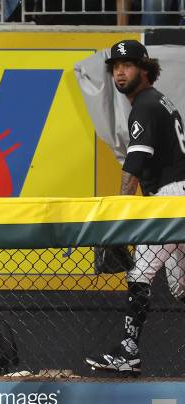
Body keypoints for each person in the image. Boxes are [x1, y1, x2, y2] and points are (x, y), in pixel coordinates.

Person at [85, 39, 185, 374]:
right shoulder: (158, 101)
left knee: (139, 273)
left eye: (127, 65)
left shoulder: (144, 104)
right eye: (115, 67)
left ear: (145, 69)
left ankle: (128, 352)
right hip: (177, 195)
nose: (119, 72)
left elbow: (136, 163)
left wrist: (120, 218)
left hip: (169, 199)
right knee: (181, 286)